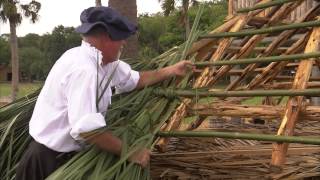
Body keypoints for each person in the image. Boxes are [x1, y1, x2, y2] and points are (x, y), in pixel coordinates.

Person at [16, 6, 194, 180]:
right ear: (108, 37)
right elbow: (87, 130)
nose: (123, 43)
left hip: (65, 158)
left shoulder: (101, 63)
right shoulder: (85, 70)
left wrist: (172, 70)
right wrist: (130, 152)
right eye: (121, 38)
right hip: (48, 162)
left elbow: (135, 80)